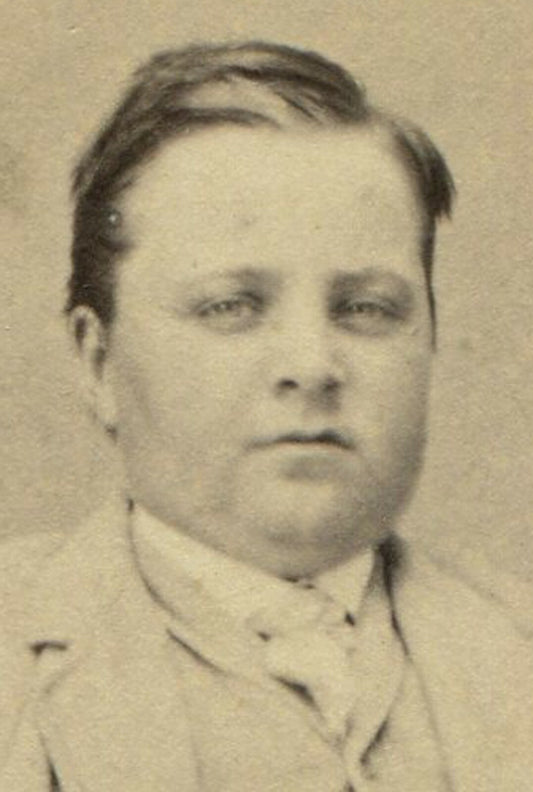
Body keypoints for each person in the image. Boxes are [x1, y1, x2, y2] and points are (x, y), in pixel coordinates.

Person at [1, 41, 531, 791]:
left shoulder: (514, 646)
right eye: (231, 307)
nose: (311, 365)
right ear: (97, 361)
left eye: (365, 309)